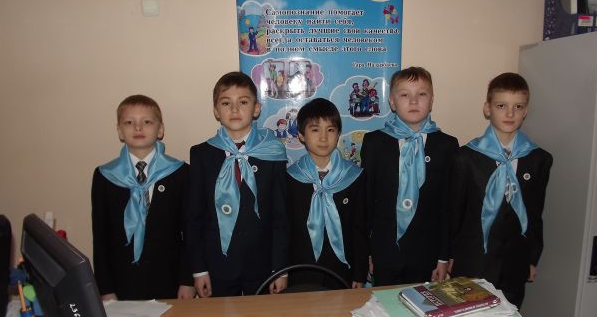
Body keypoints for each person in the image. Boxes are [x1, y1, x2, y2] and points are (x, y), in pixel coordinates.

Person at [446, 72, 552, 308]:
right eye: (501, 106)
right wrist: (450, 255)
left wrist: (532, 258)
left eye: (518, 107)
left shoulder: (539, 160)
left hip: (515, 263)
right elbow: (454, 213)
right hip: (472, 261)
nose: (510, 114)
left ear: (526, 111)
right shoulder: (465, 158)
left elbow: (535, 214)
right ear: (488, 108)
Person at [185, 71, 289, 297]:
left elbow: (280, 216)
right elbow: (195, 217)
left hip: (262, 266)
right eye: (226, 103)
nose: (234, 109)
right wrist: (199, 269)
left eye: (243, 102)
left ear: (256, 108)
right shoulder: (202, 154)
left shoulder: (273, 152)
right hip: (217, 265)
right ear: (216, 110)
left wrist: (279, 268)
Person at [361, 66, 459, 285]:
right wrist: (366, 252)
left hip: (427, 254)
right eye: (405, 95)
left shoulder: (447, 146)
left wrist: (444, 256)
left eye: (421, 94)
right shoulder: (374, 143)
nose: (414, 101)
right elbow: (366, 202)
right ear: (392, 102)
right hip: (384, 251)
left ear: (431, 101)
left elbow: (448, 207)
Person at [92, 95, 195, 300]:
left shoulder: (181, 173)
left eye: (147, 122)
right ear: (120, 131)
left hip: (169, 281)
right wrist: (105, 289)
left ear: (160, 129)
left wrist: (187, 281)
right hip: (122, 283)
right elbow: (101, 238)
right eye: (129, 122)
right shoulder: (105, 176)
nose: (138, 128)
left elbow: (189, 232)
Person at [286, 99, 368, 289]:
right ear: (301, 135)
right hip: (301, 270)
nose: (323, 138)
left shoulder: (354, 176)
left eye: (330, 130)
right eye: (315, 130)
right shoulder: (290, 178)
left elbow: (360, 228)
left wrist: (359, 272)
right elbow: (285, 230)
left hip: (343, 270)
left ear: (338, 134)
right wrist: (282, 272)